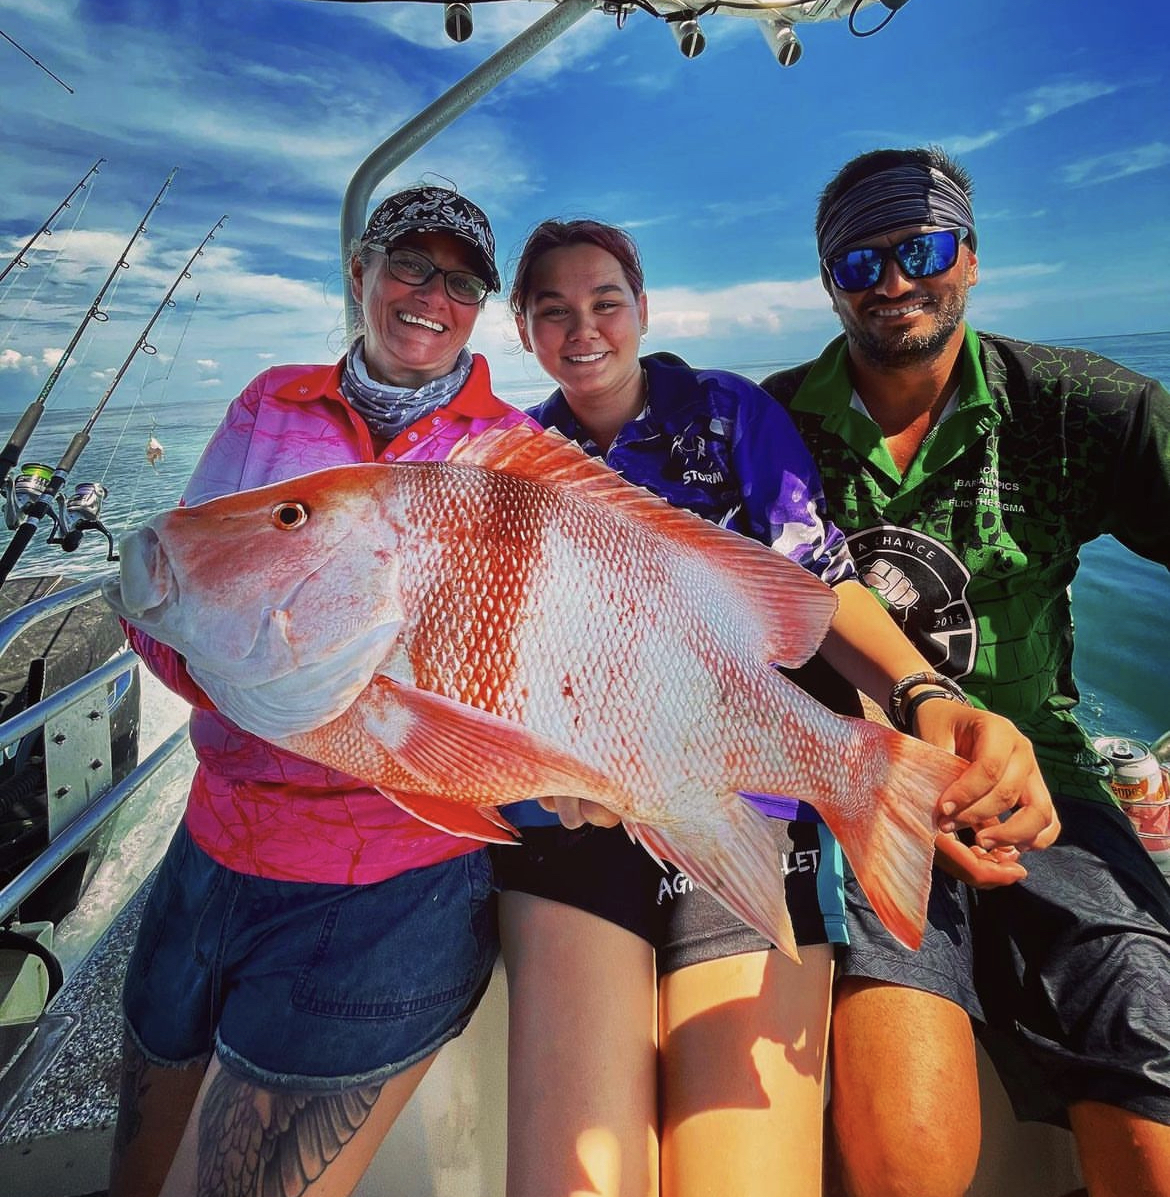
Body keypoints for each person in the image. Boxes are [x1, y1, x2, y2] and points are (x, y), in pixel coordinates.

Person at [494, 217, 1058, 1197]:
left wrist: (918, 693)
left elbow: (819, 587)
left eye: (605, 303)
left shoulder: (727, 413)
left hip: (741, 801)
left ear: (640, 309)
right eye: (553, 311)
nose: (583, 329)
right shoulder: (510, 468)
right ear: (522, 328)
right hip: (575, 820)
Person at [760, 146, 1170, 1197]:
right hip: (866, 804)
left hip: (1057, 802)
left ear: (972, 259)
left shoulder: (1078, 409)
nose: (894, 281)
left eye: (921, 249)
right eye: (859, 264)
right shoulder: (770, 428)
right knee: (900, 1161)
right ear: (828, 284)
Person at [108, 184, 533, 1197]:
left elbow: (510, 689)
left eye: (463, 280)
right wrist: (234, 672)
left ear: (480, 307)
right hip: (209, 843)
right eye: (410, 266)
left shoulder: (511, 461)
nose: (434, 294)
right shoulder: (271, 402)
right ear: (360, 274)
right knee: (139, 1144)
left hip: (390, 880)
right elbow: (181, 581)